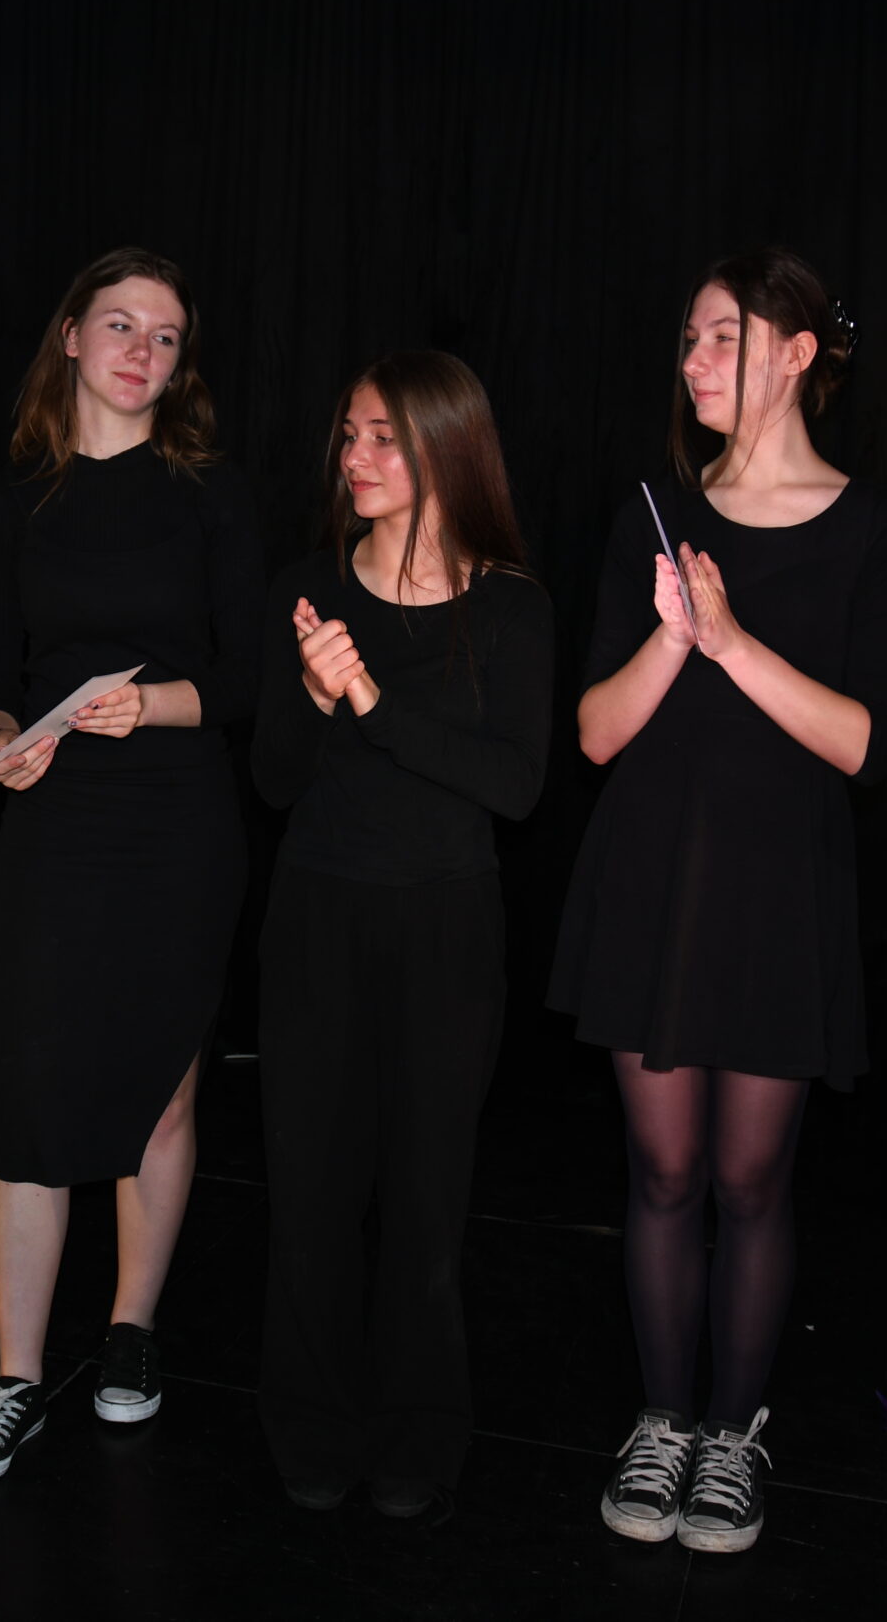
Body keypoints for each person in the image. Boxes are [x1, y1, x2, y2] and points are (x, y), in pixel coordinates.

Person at [549, 248, 887, 1553]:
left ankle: (731, 1432)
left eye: (724, 337)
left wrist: (733, 641)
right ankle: (662, 1418)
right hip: (654, 878)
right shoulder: (655, 509)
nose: (695, 361)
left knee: (752, 1178)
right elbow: (594, 734)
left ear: (799, 354)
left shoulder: (871, 530)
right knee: (661, 1170)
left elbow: (871, 745)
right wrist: (671, 633)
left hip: (778, 892)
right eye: (690, 339)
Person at [0, 248, 262, 1480]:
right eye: (121, 325)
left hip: (178, 819)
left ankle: (130, 1333)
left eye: (166, 336)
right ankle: (13, 1375)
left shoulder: (210, 494)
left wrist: (157, 704)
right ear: (70, 337)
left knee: (162, 1091)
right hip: (55, 821)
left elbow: (247, 678)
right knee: (32, 1091)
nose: (143, 351)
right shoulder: (9, 504)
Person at [250, 351, 551, 1520]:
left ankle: (420, 1430)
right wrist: (314, 696)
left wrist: (372, 699)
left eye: (384, 437)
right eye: (350, 436)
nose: (356, 458)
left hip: (445, 929)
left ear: (446, 447)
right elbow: (272, 780)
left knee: (427, 1197)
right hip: (317, 917)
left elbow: (514, 787)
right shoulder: (308, 590)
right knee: (311, 1191)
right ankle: (311, 1422)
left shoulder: (510, 607)